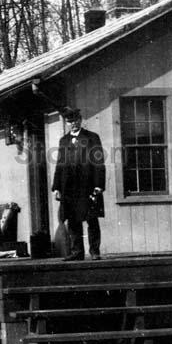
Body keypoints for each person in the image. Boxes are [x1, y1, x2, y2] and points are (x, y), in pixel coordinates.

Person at [52, 108, 106, 261]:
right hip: (69, 187)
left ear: (80, 120)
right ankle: (77, 252)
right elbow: (60, 165)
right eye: (69, 121)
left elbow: (99, 163)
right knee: (73, 220)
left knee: (91, 218)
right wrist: (56, 187)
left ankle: (95, 251)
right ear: (67, 123)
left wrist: (98, 185)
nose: (73, 124)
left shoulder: (92, 138)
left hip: (87, 186)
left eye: (75, 120)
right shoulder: (64, 141)